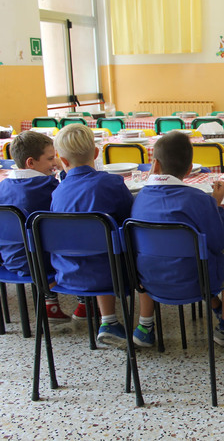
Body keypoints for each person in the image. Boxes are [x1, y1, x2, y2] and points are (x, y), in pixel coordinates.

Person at [130, 131, 224, 347]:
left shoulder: (139, 199)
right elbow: (218, 243)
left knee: (176, 255)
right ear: (190, 170)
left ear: (154, 165)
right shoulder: (200, 200)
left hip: (147, 278)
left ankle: (146, 325)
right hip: (195, 280)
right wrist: (216, 205)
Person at [51, 123, 134, 347]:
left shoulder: (58, 192)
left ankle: (108, 319)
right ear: (97, 153)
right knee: (116, 244)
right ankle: (143, 324)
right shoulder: (112, 183)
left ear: (63, 161)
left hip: (67, 273)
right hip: (113, 274)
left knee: (95, 244)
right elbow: (130, 221)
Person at [0, 131, 77, 323]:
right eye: (51, 158)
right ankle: (85, 302)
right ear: (31, 163)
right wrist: (64, 171)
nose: (55, 162)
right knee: (78, 239)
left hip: (11, 260)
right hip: (45, 262)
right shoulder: (48, 187)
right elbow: (70, 205)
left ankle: (50, 302)